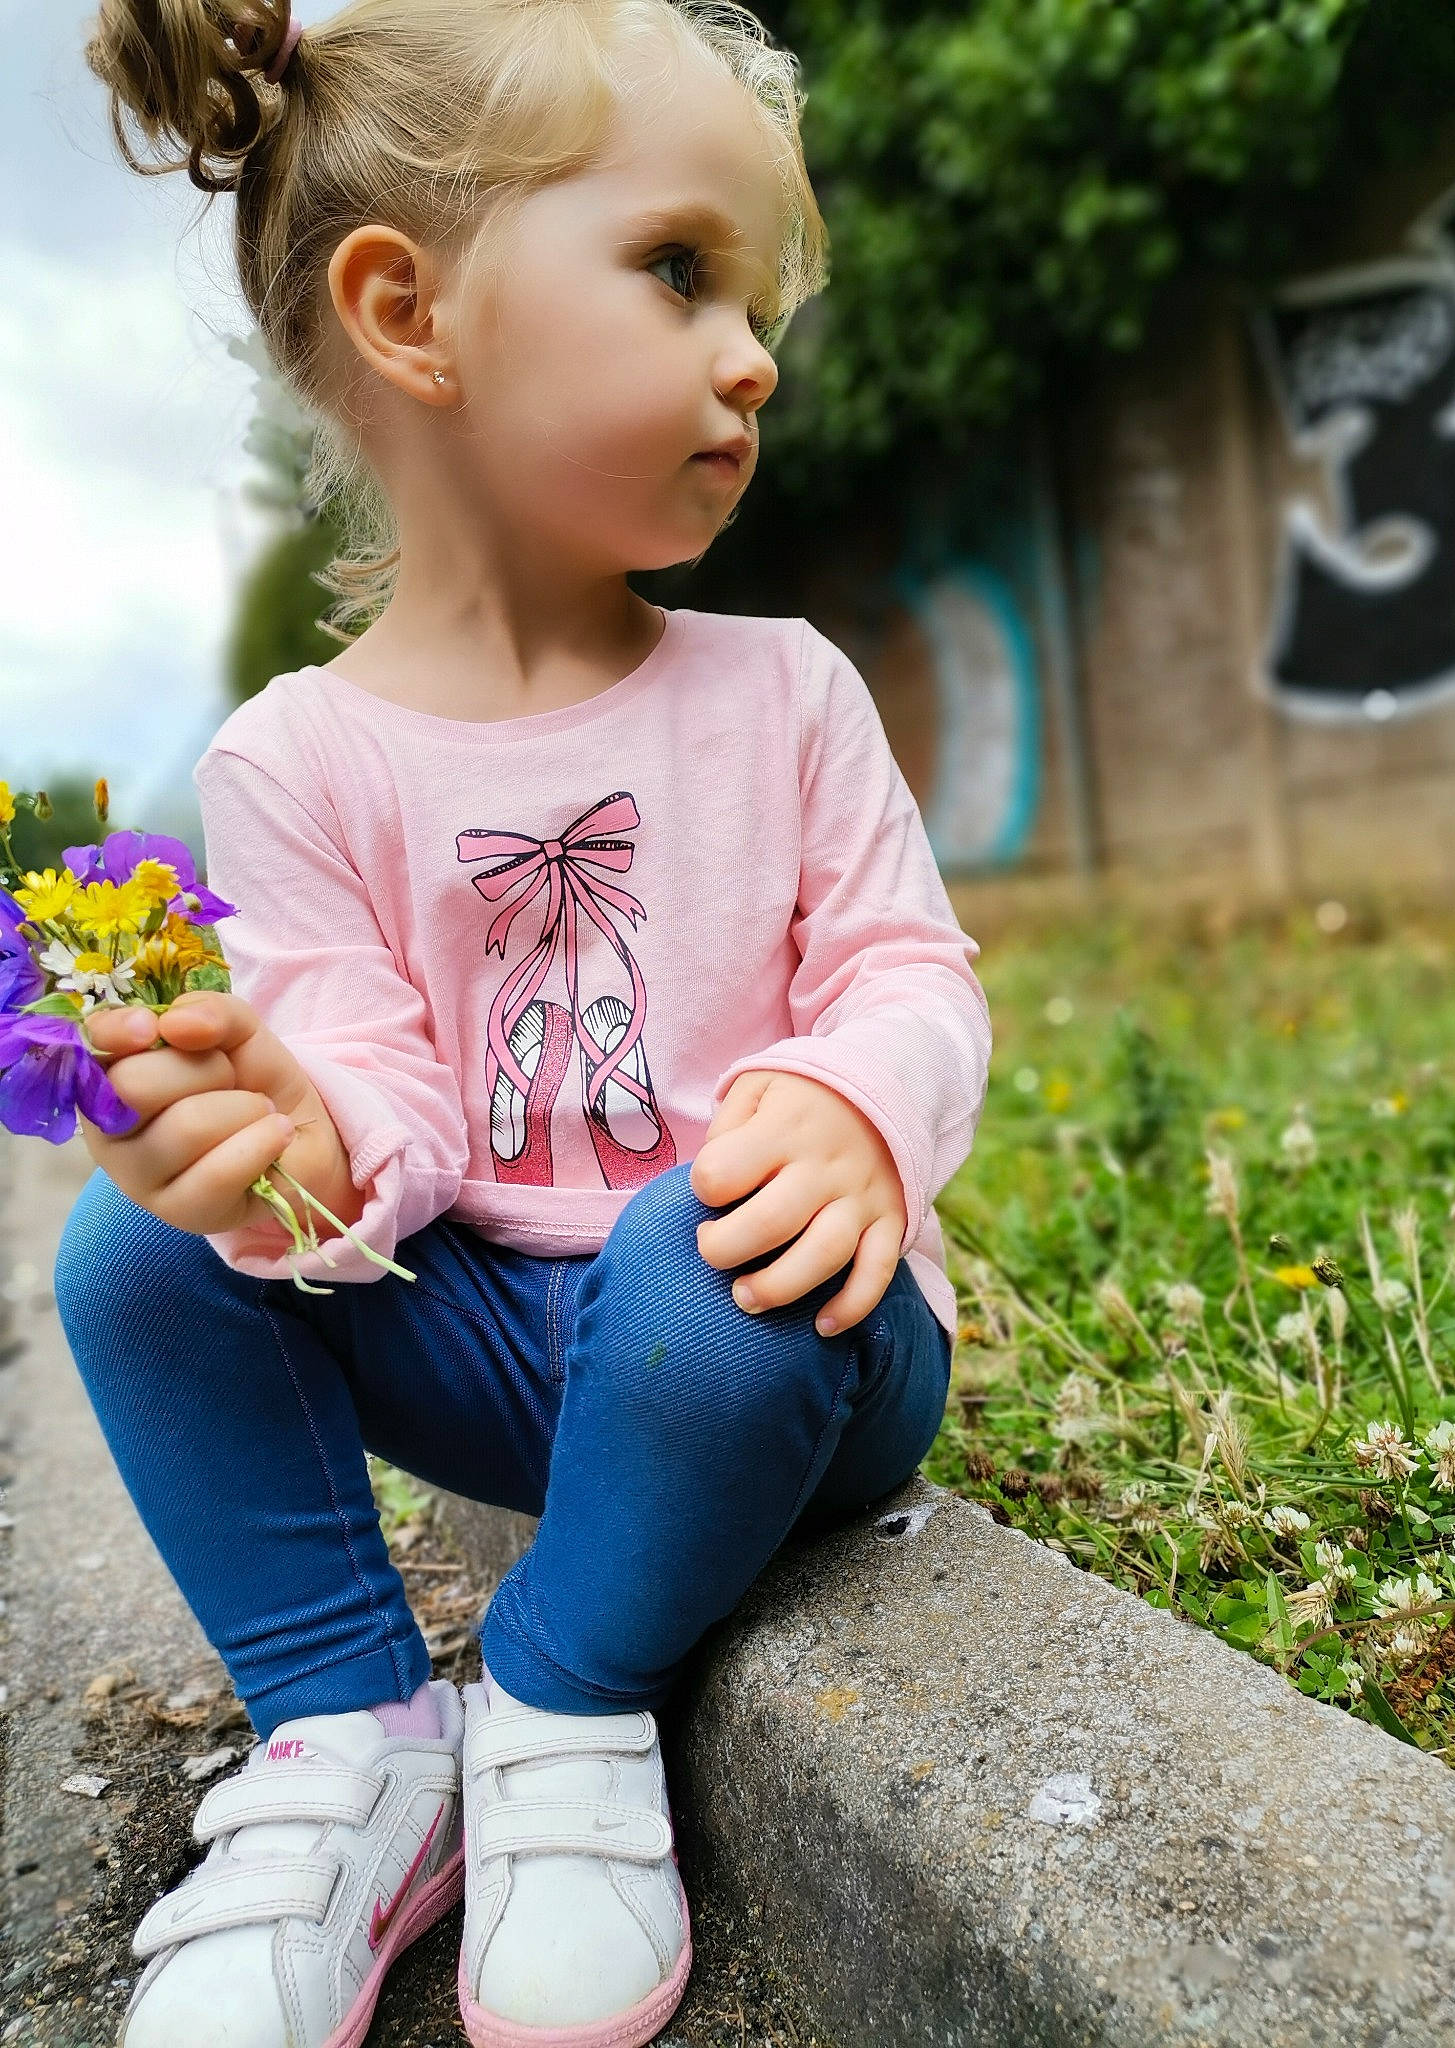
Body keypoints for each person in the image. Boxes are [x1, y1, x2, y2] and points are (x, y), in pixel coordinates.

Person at [60, 3, 993, 2043]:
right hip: (502, 1350)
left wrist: (852, 1103)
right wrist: (278, 1155)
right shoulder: (297, 760)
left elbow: (910, 971)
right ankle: (353, 1742)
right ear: (411, 314)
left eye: (754, 298)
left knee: (701, 1246)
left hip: (779, 1334)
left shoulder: (785, 691)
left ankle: (566, 1702)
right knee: (134, 1251)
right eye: (679, 269)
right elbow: (376, 1089)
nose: (751, 352)